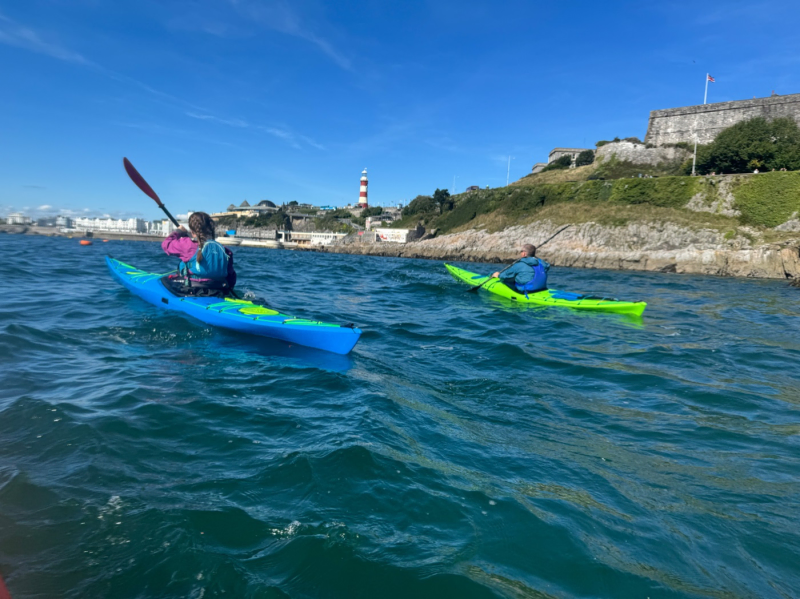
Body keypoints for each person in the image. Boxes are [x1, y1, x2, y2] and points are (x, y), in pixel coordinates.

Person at [162, 211, 236, 294]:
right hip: (219, 290)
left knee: (164, 280)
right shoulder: (224, 250)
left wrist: (178, 231)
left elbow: (166, 244)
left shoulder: (188, 245)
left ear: (192, 232)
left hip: (193, 290)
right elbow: (231, 276)